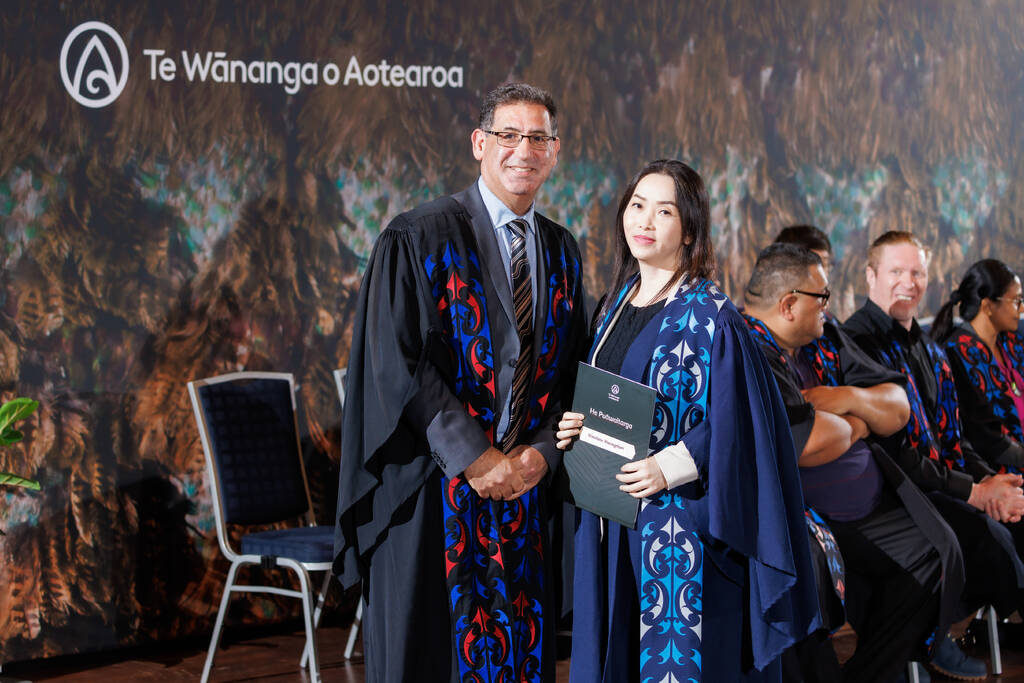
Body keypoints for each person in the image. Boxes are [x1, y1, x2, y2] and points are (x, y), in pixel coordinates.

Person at [332, 83, 588, 683]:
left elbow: (572, 369)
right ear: (480, 143)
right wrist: (475, 458)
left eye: (538, 138)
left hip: (522, 492)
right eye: (508, 135)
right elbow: (398, 364)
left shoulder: (562, 249)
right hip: (433, 488)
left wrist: (541, 456)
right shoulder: (418, 236)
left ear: (554, 152)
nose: (522, 149)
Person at [556, 160, 819, 682]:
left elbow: (743, 420)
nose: (645, 220)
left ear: (690, 229)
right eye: (637, 205)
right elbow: (614, 397)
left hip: (680, 527)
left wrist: (669, 466)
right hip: (613, 518)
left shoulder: (711, 315)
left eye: (664, 211)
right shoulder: (613, 306)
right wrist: (577, 428)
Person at [743, 244, 963, 683]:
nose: (829, 306)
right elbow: (807, 443)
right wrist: (863, 424)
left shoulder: (825, 338)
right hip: (797, 516)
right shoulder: (749, 349)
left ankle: (871, 675)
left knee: (937, 553)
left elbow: (898, 404)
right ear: (789, 304)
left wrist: (846, 399)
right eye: (821, 297)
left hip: (865, 503)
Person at [844, 231, 1024, 680]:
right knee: (986, 539)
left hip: (939, 476)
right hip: (893, 490)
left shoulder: (925, 344)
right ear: (871, 275)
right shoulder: (856, 342)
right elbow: (894, 454)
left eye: (918, 272)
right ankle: (928, 636)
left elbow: (954, 437)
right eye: (896, 272)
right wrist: (975, 492)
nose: (909, 282)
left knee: (1014, 512)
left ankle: (932, 633)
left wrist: (991, 484)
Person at [932, 259, 1024, 473]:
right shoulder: (956, 355)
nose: (1021, 309)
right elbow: (985, 439)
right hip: (1000, 470)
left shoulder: (1013, 342)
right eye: (1016, 301)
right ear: (988, 306)